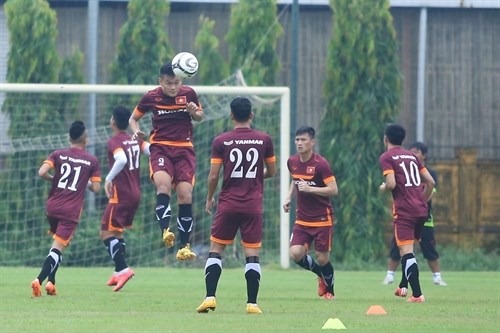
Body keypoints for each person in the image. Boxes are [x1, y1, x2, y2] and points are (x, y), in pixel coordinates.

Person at [196, 97, 276, 314]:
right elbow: (272, 171)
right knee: (251, 254)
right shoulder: (264, 140)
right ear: (251, 115)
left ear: (231, 115)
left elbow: (213, 176)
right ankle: (252, 304)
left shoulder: (221, 141)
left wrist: (210, 197)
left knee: (216, 250)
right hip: (253, 205)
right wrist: (256, 178)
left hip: (228, 204)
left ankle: (210, 298)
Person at [129, 63, 203, 261]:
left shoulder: (189, 94)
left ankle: (184, 246)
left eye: (177, 82)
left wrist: (193, 111)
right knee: (163, 185)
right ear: (160, 81)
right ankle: (165, 231)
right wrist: (136, 131)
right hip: (160, 148)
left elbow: (199, 117)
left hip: (184, 150)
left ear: (182, 80)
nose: (173, 87)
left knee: (185, 195)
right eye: (169, 83)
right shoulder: (151, 96)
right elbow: (133, 118)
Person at [32, 121, 101, 297]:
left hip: (53, 206)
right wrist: (82, 184)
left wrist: (54, 179)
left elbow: (41, 172)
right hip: (70, 210)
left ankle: (51, 283)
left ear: (68, 137)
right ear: (86, 140)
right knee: (58, 248)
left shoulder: (58, 154)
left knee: (58, 245)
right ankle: (38, 280)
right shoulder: (91, 161)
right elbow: (96, 188)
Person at [379, 124, 435, 303]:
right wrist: (422, 200)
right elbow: (431, 183)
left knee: (406, 251)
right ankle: (403, 285)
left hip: (404, 210)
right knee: (408, 250)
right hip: (421, 210)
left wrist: (384, 187)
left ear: (385, 139)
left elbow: (392, 183)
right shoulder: (412, 156)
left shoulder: (387, 156)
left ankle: (417, 295)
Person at [282, 126, 338, 300]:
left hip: (322, 219)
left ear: (312, 142)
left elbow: (333, 190)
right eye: (297, 139)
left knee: (322, 258)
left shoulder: (321, 164)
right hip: (302, 219)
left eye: (303, 140)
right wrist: (289, 197)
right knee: (296, 253)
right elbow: (295, 180)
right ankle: (320, 275)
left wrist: (311, 189)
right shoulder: (292, 162)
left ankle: (330, 291)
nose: (299, 143)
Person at [382, 141, 447, 286]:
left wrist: (419, 201)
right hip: (406, 215)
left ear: (424, 155)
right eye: (411, 151)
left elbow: (431, 188)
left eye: (416, 152)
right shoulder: (403, 170)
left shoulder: (428, 173)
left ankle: (437, 277)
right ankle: (390, 276)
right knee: (398, 246)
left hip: (424, 217)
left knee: (429, 249)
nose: (413, 154)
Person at [101, 106, 151, 292]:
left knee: (105, 233)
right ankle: (117, 272)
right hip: (135, 193)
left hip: (121, 194)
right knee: (118, 232)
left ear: (113, 121)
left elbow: (121, 160)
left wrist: (108, 178)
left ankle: (123, 269)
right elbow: (152, 150)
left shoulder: (114, 141)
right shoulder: (134, 139)